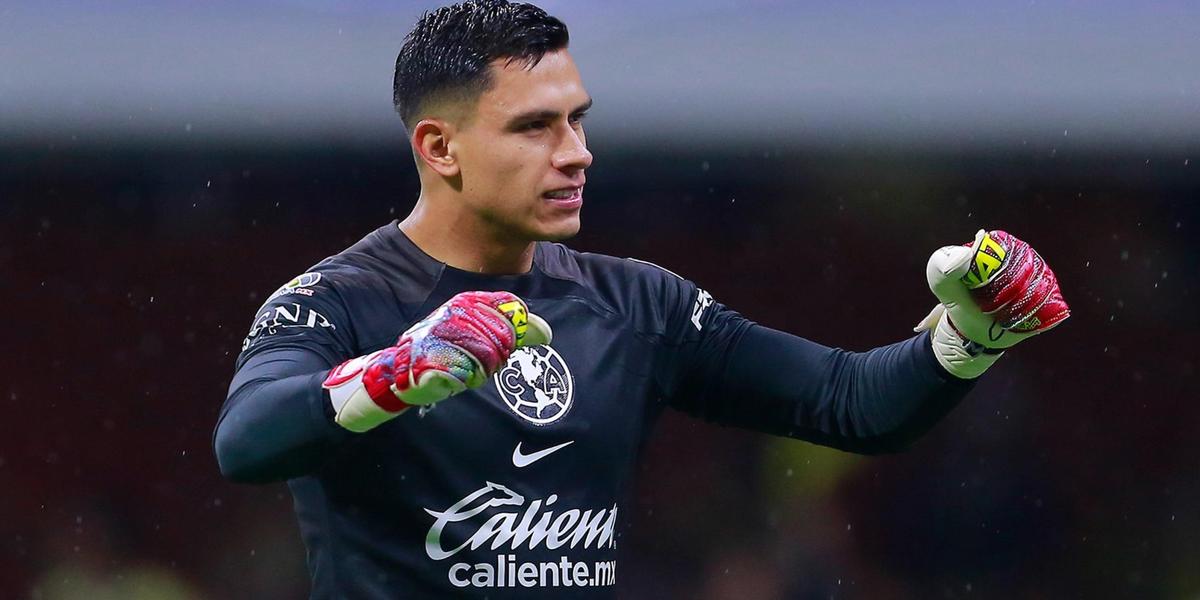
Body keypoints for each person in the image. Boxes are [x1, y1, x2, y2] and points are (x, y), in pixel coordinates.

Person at [212, 1, 1069, 598]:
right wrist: (399, 372)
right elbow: (247, 442)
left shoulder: (637, 304)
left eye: (577, 119)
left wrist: (974, 331)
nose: (576, 152)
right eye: (535, 126)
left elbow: (852, 404)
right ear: (439, 147)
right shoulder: (341, 299)